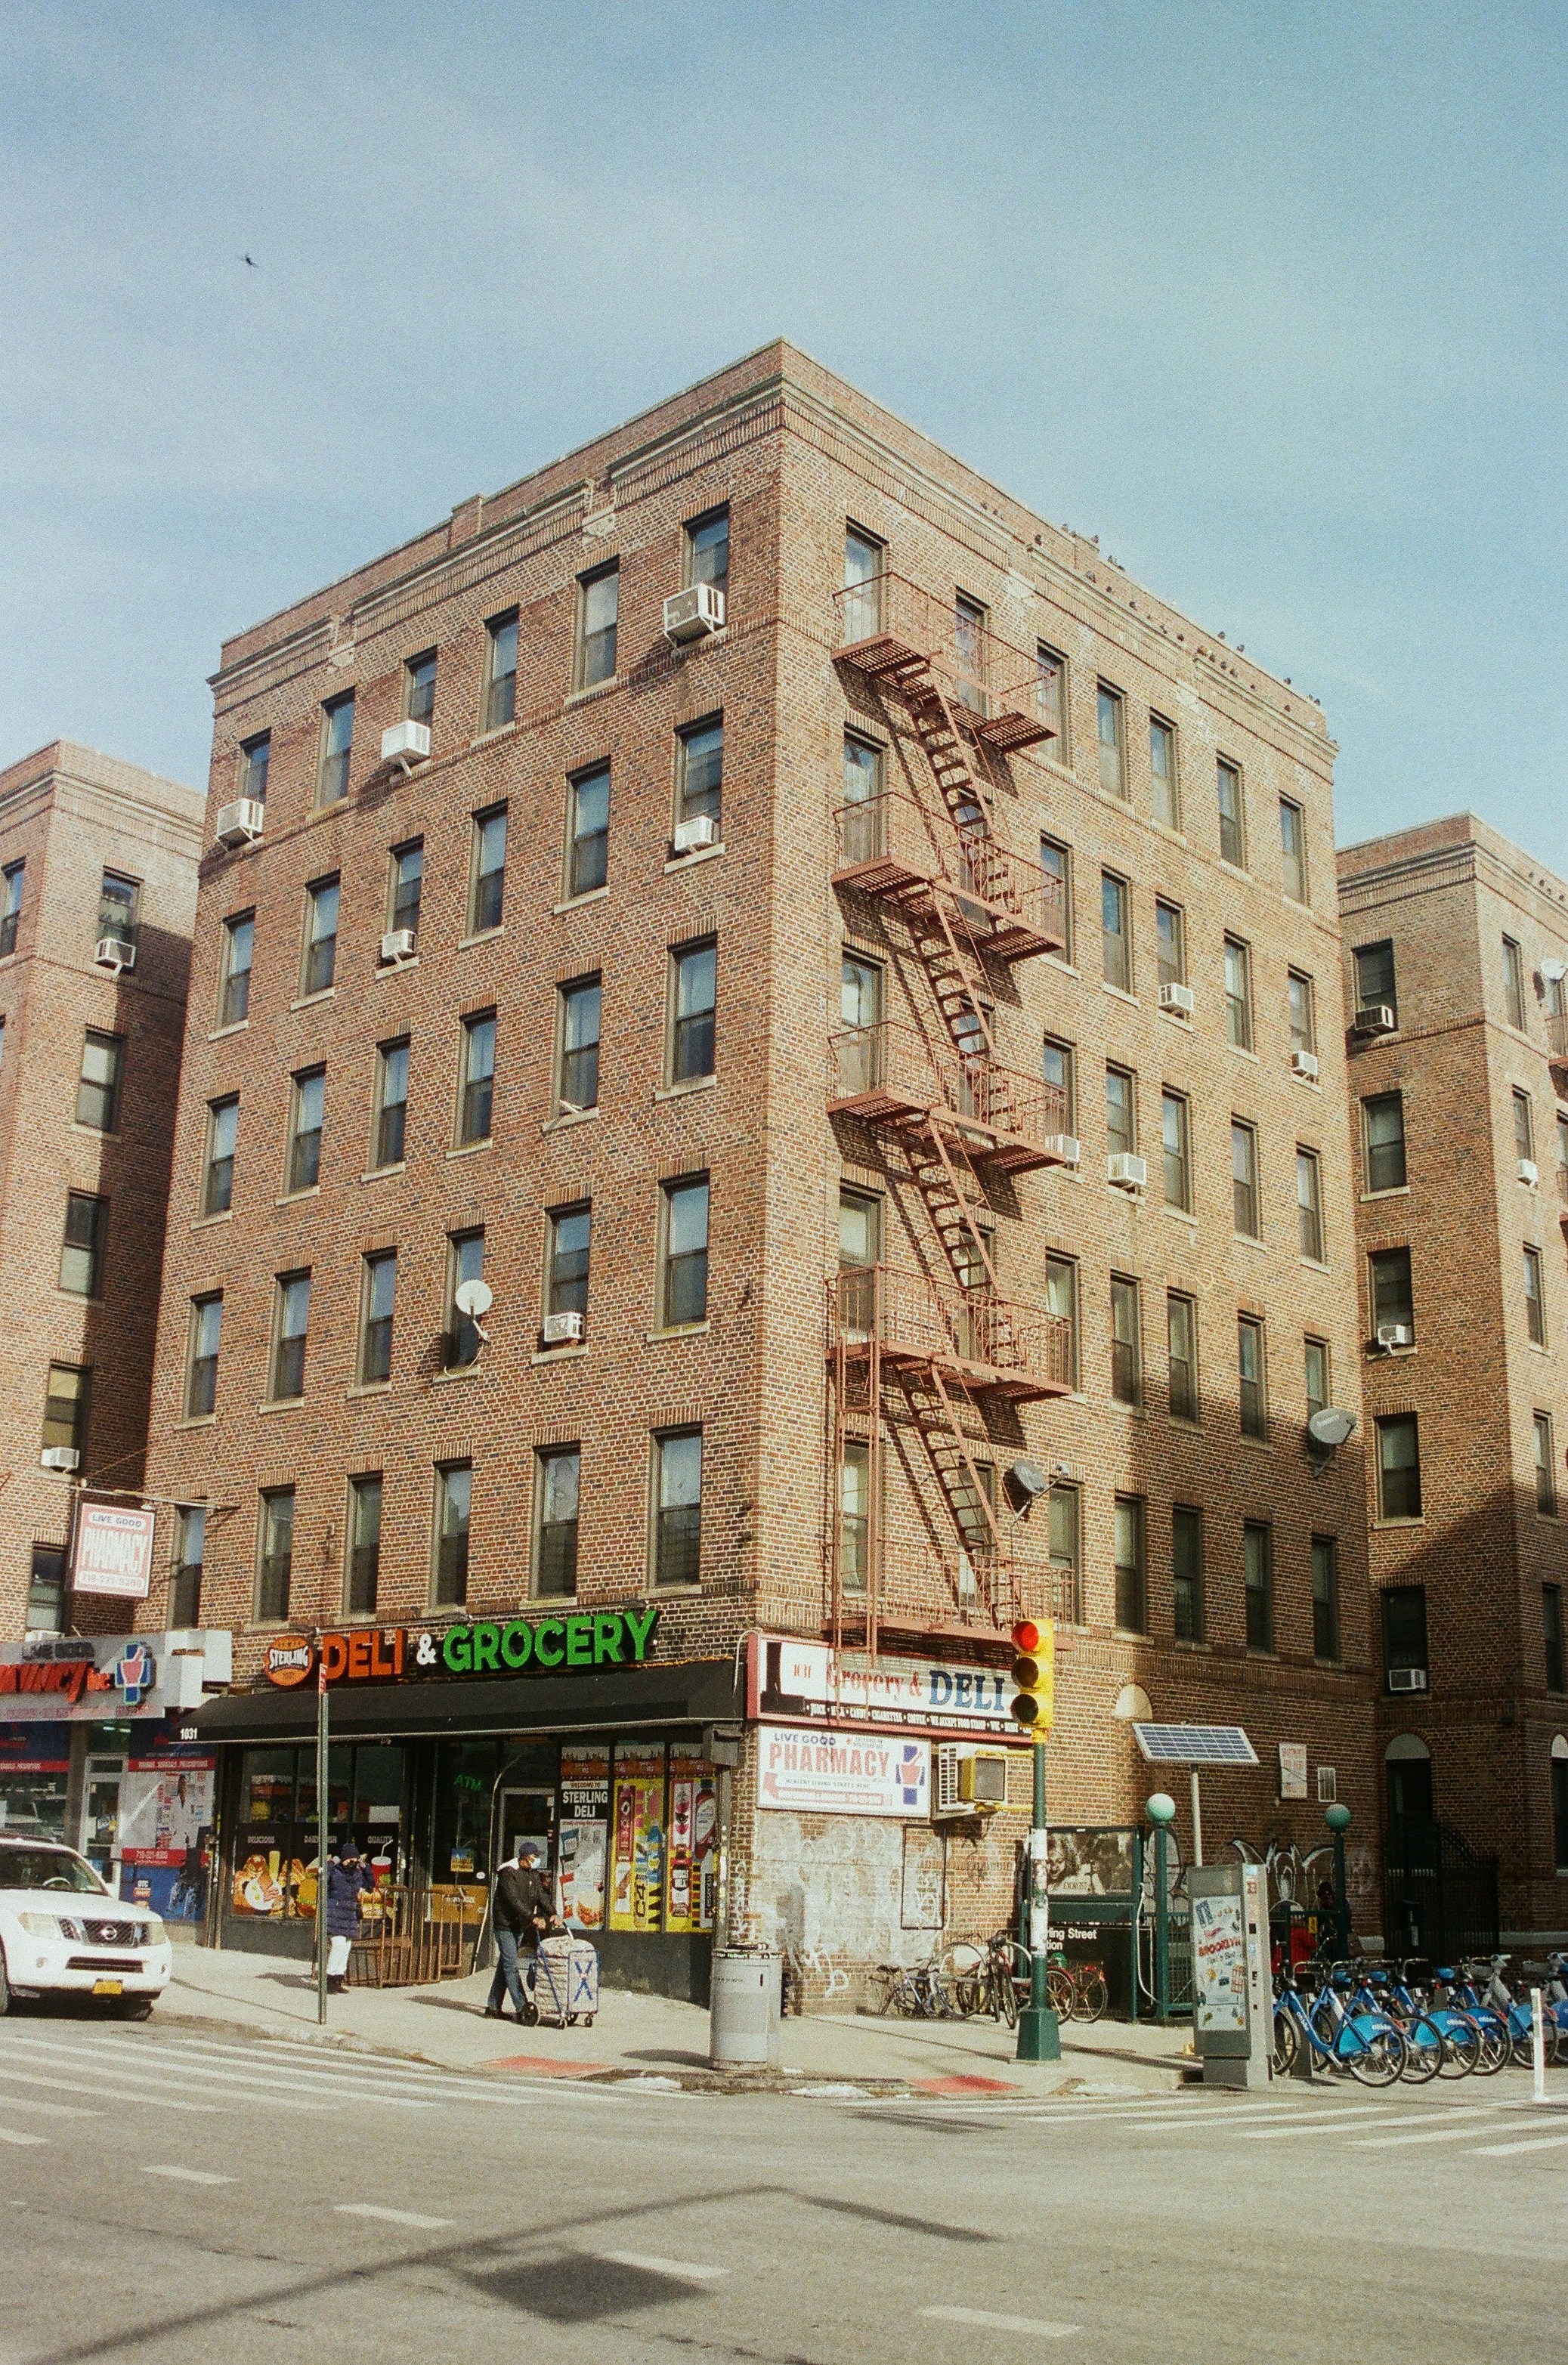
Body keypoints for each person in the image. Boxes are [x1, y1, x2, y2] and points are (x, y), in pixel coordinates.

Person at [485, 1840, 550, 2020]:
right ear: (526, 1858)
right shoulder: (509, 1873)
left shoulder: (532, 1874)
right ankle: (522, 2007)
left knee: (505, 1965)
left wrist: (552, 1913)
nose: (537, 1860)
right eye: (535, 1857)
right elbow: (514, 1901)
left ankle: (493, 2007)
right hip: (505, 1925)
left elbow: (540, 1896)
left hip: (519, 1925)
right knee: (511, 1965)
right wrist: (533, 1918)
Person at [324, 1841, 366, 1994]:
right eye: (350, 1860)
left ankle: (338, 1980)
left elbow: (370, 1882)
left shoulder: (356, 1874)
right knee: (338, 1945)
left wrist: (364, 1866)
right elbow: (321, 1880)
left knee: (346, 1946)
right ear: (343, 1859)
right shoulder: (335, 1871)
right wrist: (329, 1864)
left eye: (355, 1861)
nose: (353, 1864)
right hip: (335, 1913)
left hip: (349, 1914)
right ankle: (329, 1980)